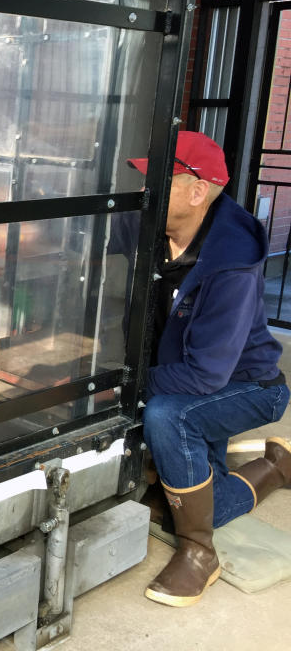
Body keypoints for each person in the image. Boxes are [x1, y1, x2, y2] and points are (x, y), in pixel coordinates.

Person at [125, 131, 291, 608]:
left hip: (247, 387)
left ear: (197, 192)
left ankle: (200, 554)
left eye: (158, 180)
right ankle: (274, 466)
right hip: (199, 381)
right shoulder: (157, 222)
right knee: (194, 500)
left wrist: (126, 384)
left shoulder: (231, 261)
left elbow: (205, 377)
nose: (143, 191)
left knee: (165, 415)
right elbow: (85, 238)